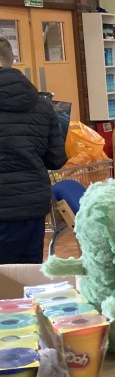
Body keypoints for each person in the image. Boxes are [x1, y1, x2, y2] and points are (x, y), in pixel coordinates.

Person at [0, 38, 67, 263]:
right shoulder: (42, 105)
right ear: (12, 60)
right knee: (28, 276)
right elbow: (56, 159)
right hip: (32, 203)